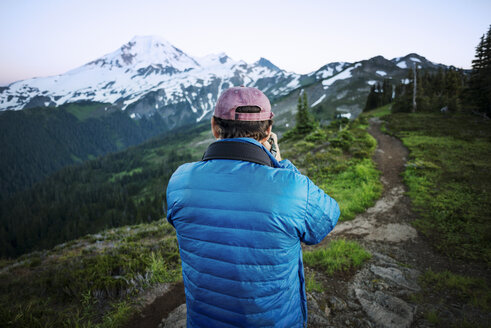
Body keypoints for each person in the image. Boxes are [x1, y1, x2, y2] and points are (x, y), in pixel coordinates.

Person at [166, 86, 340, 327]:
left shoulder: (179, 181)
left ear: (215, 126)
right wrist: (279, 165)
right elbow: (327, 219)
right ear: (268, 131)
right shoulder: (292, 186)